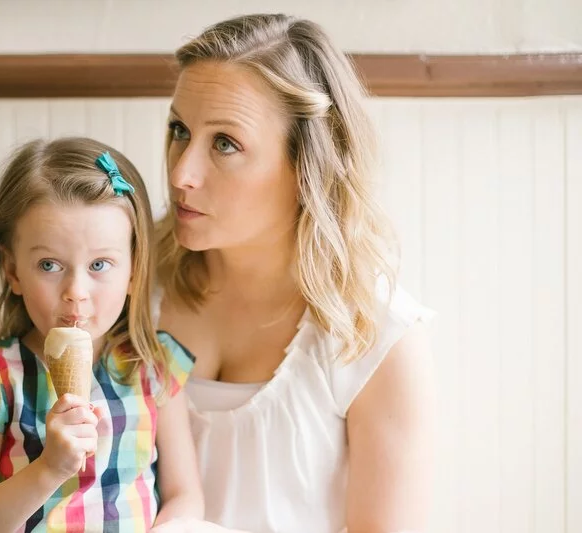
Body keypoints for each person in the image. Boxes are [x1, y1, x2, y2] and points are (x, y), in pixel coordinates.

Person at [151, 13, 436, 533]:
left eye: (225, 144)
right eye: (179, 131)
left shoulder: (375, 338)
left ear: (306, 166)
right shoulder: (120, 288)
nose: (180, 174)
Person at [0, 137, 204, 532]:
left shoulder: (153, 369)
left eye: (100, 264)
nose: (76, 290)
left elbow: (185, 495)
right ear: (12, 272)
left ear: (134, 271)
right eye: (49, 264)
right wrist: (49, 468)